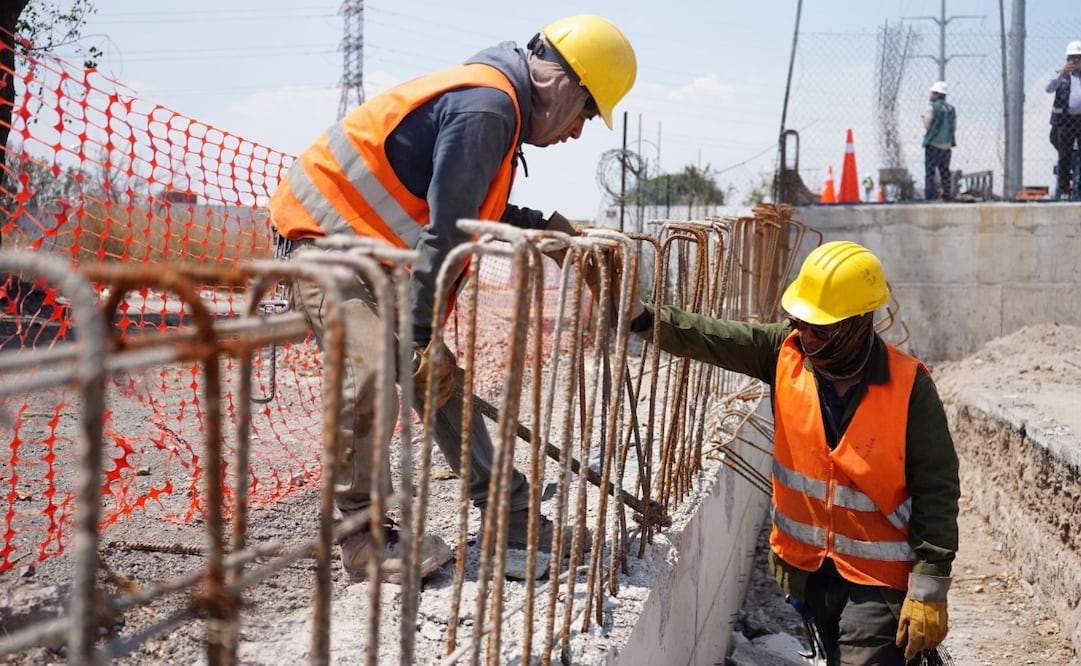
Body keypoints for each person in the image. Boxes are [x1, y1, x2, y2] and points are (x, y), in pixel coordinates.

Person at [267, 15, 636, 583]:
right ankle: (362, 537)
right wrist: (418, 340)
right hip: (322, 241)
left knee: (439, 381)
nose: (578, 132)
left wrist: (547, 231)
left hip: (373, 251)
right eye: (587, 113)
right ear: (565, 82)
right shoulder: (488, 108)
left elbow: (470, 206)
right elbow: (447, 233)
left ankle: (510, 517)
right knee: (373, 368)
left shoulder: (498, 109)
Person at [618, 241, 959, 664]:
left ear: (858, 323)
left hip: (878, 579)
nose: (807, 336)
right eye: (800, 322)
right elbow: (710, 336)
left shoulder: (910, 388)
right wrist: (641, 316)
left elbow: (937, 488)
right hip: (809, 570)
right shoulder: (785, 351)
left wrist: (929, 587)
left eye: (822, 329)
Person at [1046, 40, 1081, 201]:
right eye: (1073, 58)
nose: (1076, 61)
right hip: (1066, 121)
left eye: (1079, 57)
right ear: (1067, 59)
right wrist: (1062, 73)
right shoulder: (1061, 75)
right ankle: (1064, 190)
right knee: (1064, 156)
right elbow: (1048, 88)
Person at [922, 81, 956, 201]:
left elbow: (927, 125)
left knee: (930, 172)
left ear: (937, 94)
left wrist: (923, 119)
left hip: (933, 143)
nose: (930, 94)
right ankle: (947, 195)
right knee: (945, 172)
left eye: (932, 92)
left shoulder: (931, 107)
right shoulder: (951, 109)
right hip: (946, 145)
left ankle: (929, 196)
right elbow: (954, 127)